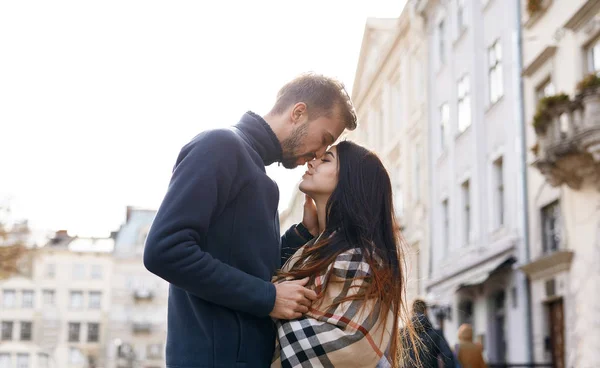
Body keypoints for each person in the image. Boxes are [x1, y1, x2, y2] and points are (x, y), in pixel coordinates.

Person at [143, 73, 357, 368]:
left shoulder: (255, 169)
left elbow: (245, 264)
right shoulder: (220, 145)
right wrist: (268, 298)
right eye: (324, 140)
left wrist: (302, 233)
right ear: (298, 113)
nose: (318, 155)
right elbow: (164, 251)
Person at [271, 141, 420, 368]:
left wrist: (267, 303)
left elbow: (347, 345)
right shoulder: (316, 249)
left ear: (350, 182)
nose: (311, 162)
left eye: (326, 159)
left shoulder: (362, 258)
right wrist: (303, 232)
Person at [406, 298, 456, 368]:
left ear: (412, 312)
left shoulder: (403, 335)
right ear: (426, 311)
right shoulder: (436, 334)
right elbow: (448, 356)